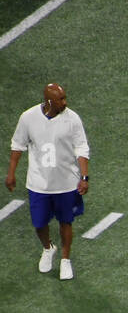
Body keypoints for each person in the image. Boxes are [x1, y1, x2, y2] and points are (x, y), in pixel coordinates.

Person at [6, 83, 90, 281]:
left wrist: (84, 177)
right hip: (39, 183)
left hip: (66, 183)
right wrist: (11, 173)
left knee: (66, 222)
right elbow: (18, 145)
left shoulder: (72, 119)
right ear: (50, 101)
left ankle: (65, 260)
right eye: (61, 99)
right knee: (39, 223)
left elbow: (82, 148)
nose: (65, 102)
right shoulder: (28, 118)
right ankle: (48, 248)